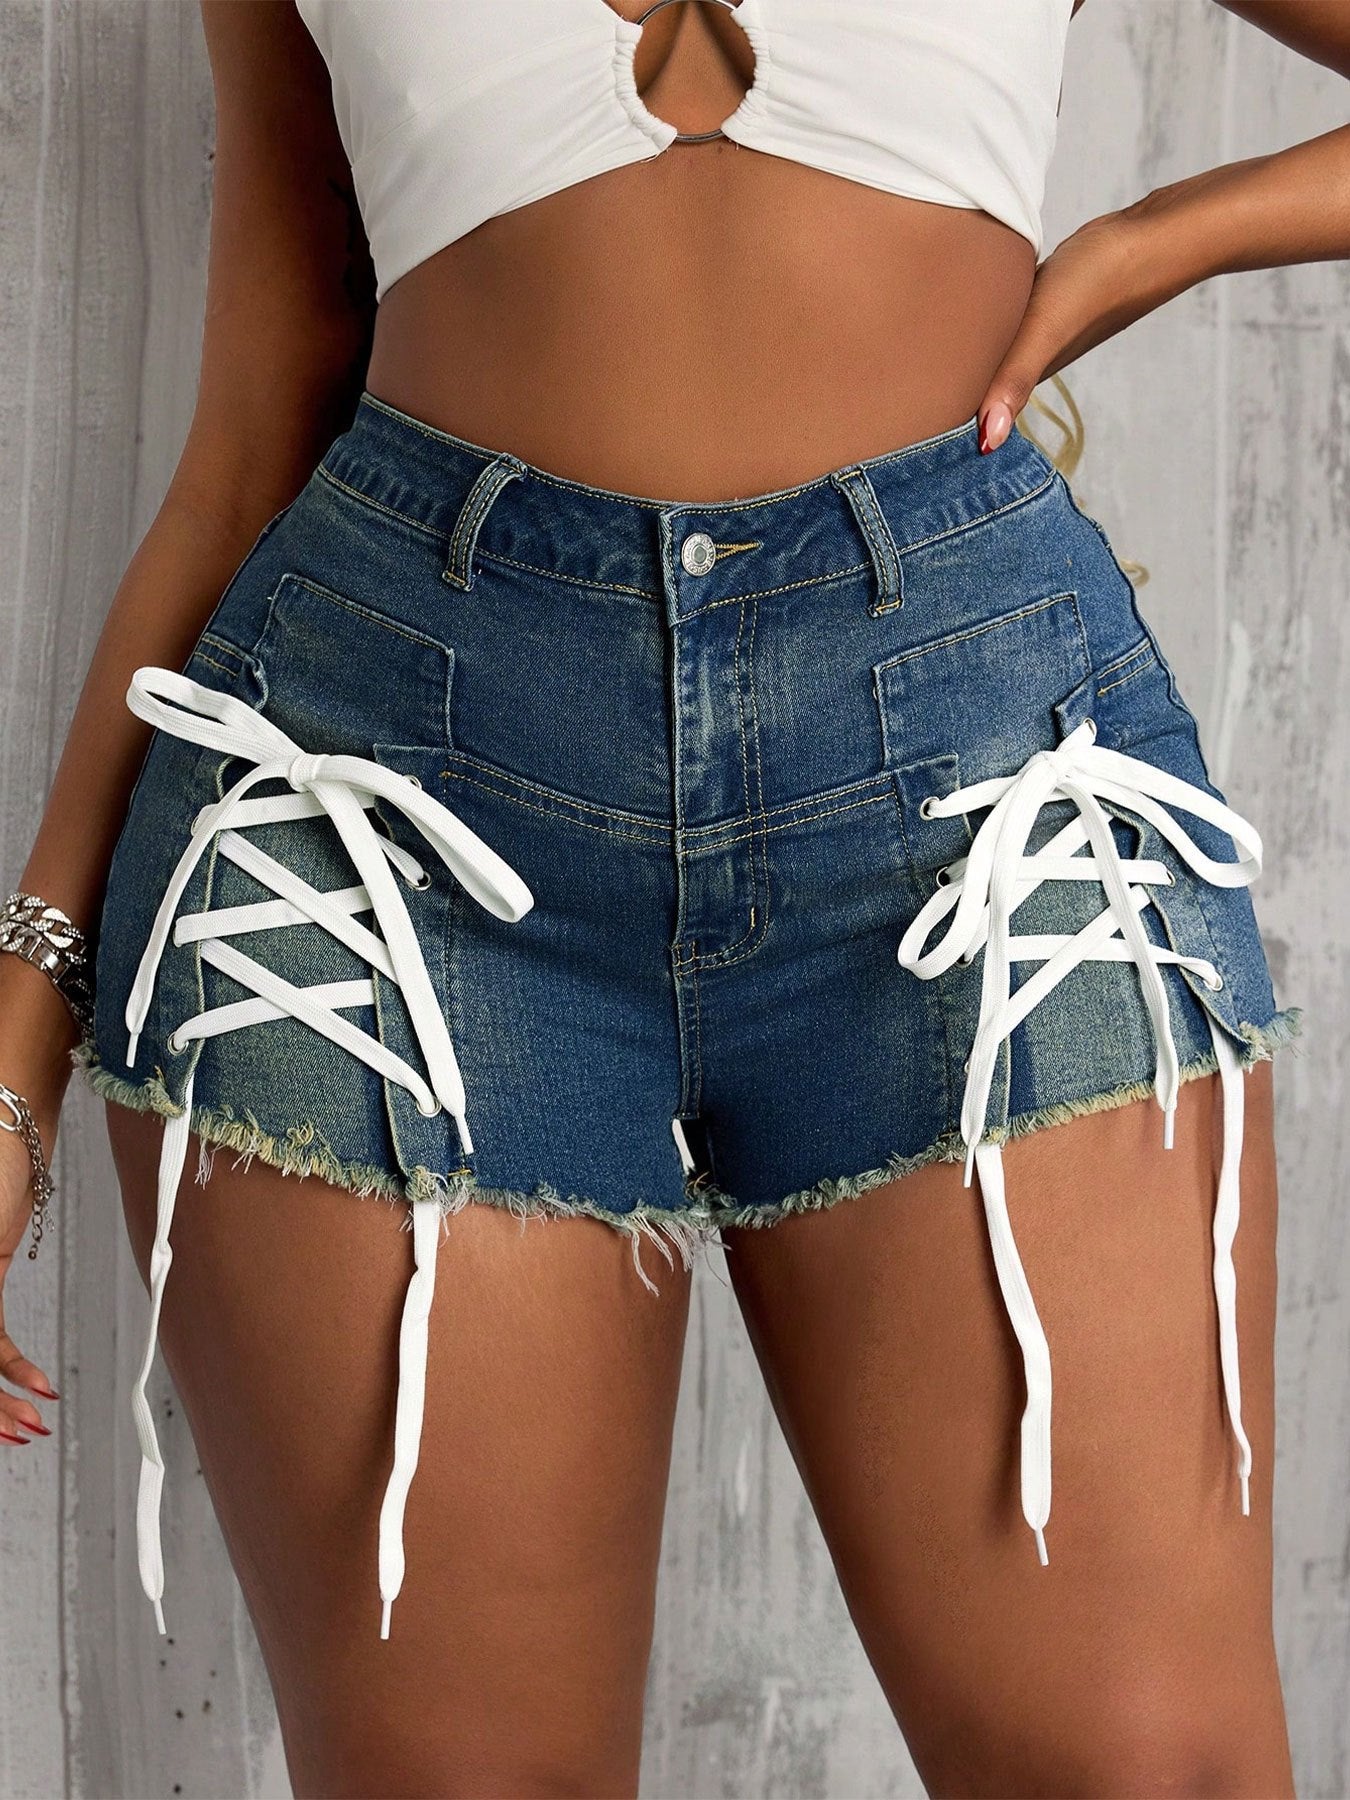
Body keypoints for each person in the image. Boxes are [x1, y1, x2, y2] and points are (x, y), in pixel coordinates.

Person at [1, 0, 1338, 1792]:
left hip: (988, 786)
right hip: (375, 818)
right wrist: (14, 1054)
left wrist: (1153, 238)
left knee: (1145, 1766)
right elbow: (255, 433)